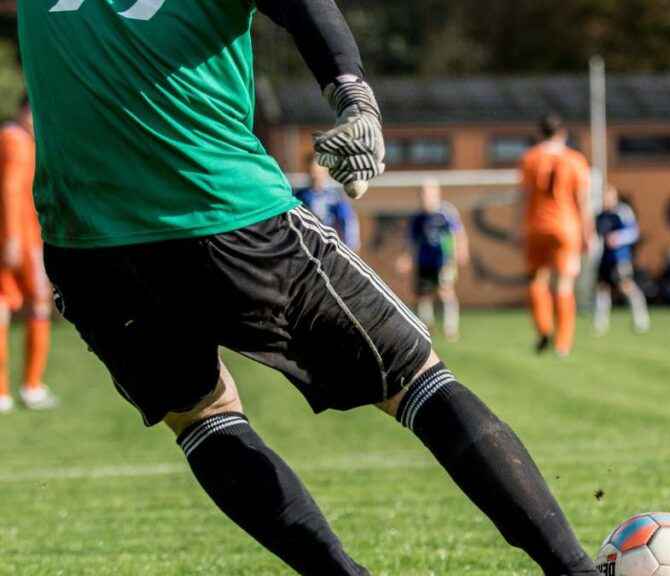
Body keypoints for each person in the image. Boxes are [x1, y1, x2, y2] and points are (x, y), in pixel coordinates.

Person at [19, 2, 599, 575]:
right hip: (222, 213)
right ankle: (574, 570)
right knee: (416, 376)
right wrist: (356, 99)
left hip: (87, 247)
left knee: (200, 417)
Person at [520, 114, 593, 357]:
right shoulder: (575, 160)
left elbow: (525, 197)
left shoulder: (530, 158)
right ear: (562, 134)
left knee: (536, 279)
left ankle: (543, 329)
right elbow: (581, 201)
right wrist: (588, 233)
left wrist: (518, 227)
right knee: (563, 284)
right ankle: (563, 343)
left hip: (536, 226)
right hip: (566, 226)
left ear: (540, 133)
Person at [0, 98, 55, 414]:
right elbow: (10, 189)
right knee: (38, 305)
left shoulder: (18, 141)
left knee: (6, 305)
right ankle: (31, 387)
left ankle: (6, 392)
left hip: (17, 236)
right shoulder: (16, 140)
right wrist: (12, 238)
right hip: (21, 239)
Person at [399, 179, 469, 342]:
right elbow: (411, 242)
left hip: (444, 260)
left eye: (429, 193)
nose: (426, 197)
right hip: (424, 261)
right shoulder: (417, 218)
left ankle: (450, 329)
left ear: (437, 193)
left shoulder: (446, 213)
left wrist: (461, 250)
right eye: (422, 193)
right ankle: (426, 327)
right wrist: (406, 258)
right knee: (423, 295)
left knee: (445, 291)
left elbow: (458, 233)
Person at [593, 185, 649, 335]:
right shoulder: (600, 215)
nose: (606, 200)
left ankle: (641, 319)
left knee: (626, 286)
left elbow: (633, 232)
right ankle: (600, 324)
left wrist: (618, 238)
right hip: (605, 259)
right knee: (602, 288)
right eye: (604, 197)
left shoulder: (622, 212)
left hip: (620, 258)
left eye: (608, 197)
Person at [295, 152, 361, 251]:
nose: (315, 175)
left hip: (329, 249)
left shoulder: (336, 198)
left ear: (325, 172)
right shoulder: (299, 197)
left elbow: (348, 222)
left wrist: (350, 246)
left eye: (318, 172)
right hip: (306, 248)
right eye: (312, 171)